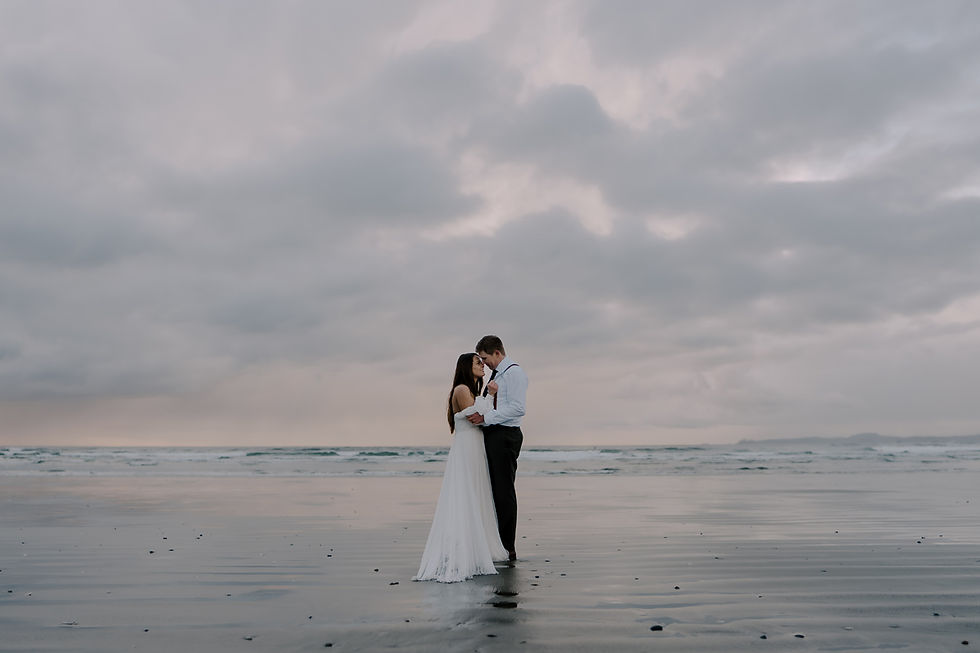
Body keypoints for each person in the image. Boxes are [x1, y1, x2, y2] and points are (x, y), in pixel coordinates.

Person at [414, 353, 508, 583]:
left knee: (476, 493)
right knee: (465, 494)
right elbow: (477, 416)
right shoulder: (461, 390)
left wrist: (486, 396)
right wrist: (490, 394)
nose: (483, 367)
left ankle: (478, 546)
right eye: (478, 363)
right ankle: (463, 550)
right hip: (467, 449)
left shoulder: (471, 391)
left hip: (475, 447)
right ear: (467, 367)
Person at [467, 335, 527, 561]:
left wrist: (486, 417)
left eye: (485, 358)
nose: (484, 363)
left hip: (505, 435)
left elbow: (518, 408)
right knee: (494, 490)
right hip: (494, 434)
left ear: (497, 353)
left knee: (504, 491)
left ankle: (507, 546)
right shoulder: (498, 374)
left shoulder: (514, 374)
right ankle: (495, 543)